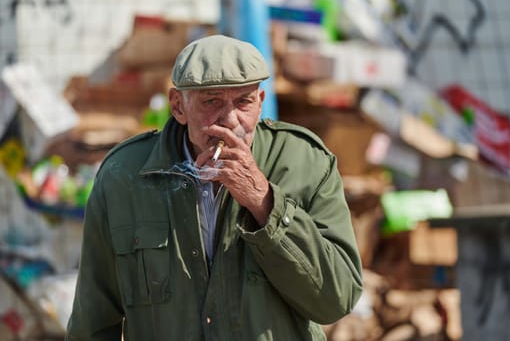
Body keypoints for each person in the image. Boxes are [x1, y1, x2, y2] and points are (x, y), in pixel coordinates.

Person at [66, 34, 363, 341]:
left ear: (260, 103)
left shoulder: (306, 163)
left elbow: (337, 300)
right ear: (178, 106)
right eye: (212, 102)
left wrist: (264, 202)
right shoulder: (125, 176)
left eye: (243, 102)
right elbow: (93, 321)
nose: (230, 120)